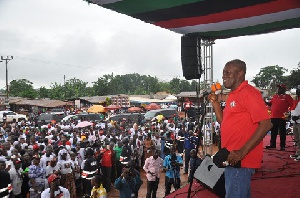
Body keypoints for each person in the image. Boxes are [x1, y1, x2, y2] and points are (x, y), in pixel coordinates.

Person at [208, 59, 272, 198]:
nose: (224, 76)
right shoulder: (233, 94)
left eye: (228, 72)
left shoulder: (249, 93)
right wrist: (215, 103)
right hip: (231, 157)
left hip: (241, 160)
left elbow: (266, 124)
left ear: (240, 74)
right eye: (223, 72)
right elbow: (223, 121)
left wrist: (242, 152)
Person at [266, 84, 293, 150]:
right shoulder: (275, 96)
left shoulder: (287, 97)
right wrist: (265, 102)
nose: (278, 89)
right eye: (278, 88)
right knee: (273, 131)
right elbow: (270, 103)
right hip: (273, 116)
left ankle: (282, 145)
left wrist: (289, 113)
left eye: (279, 88)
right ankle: (272, 144)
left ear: (283, 89)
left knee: (282, 132)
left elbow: (292, 105)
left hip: (282, 117)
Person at [290, 85, 300, 161]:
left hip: (299, 121)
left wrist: (298, 116)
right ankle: (298, 152)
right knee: (297, 138)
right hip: (294, 121)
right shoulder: (296, 100)